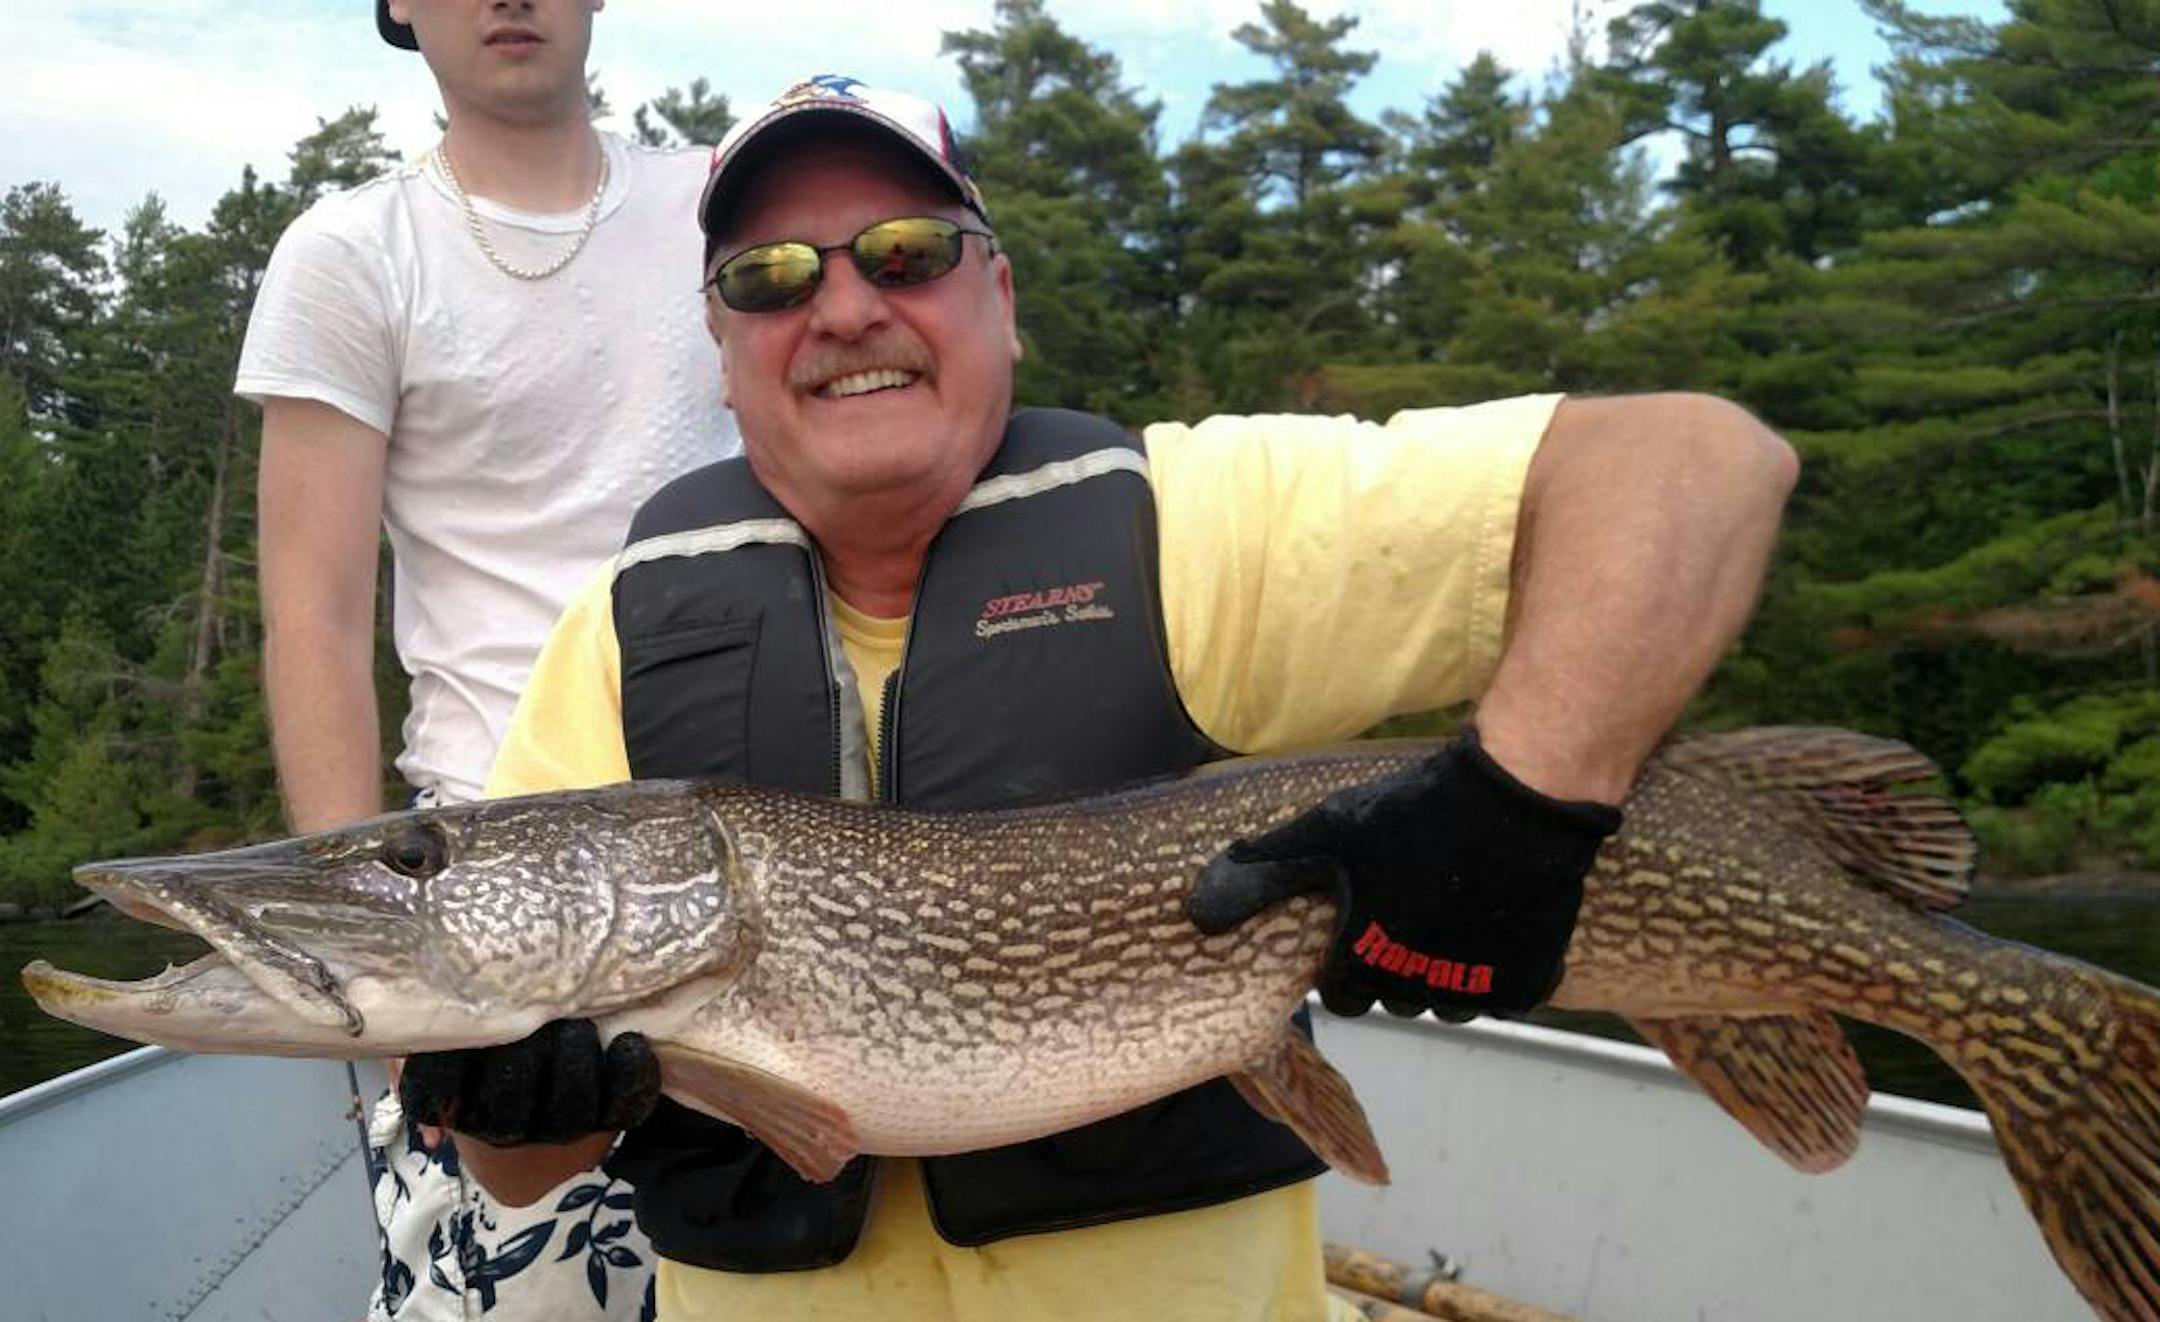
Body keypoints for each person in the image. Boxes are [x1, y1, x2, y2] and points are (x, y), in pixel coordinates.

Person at [398, 73, 1799, 1321]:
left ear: (999, 296)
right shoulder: (624, 637)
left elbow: (1695, 467)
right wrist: (512, 1106)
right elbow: (519, 1168)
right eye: (768, 276)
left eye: (906, 251)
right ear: (723, 344)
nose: (841, 304)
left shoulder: (1190, 531)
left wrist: (1523, 807)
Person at [234, 2, 738, 1317]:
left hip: (750, 906)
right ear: (396, 4)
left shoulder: (726, 213)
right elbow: (320, 622)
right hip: (488, 943)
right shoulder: (351, 254)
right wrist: (383, 993)